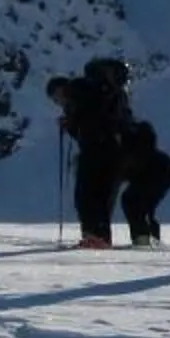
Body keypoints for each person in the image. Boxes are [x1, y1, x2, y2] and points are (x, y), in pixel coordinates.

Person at [47, 65, 132, 250]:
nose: (58, 103)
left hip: (98, 150)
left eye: (55, 98)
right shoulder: (90, 95)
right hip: (113, 150)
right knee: (100, 196)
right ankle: (97, 236)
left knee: (88, 195)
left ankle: (94, 236)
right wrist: (71, 124)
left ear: (60, 90)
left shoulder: (78, 94)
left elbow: (88, 127)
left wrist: (70, 123)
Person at [121, 120, 170, 247]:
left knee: (133, 200)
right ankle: (148, 237)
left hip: (160, 168)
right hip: (163, 166)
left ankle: (144, 238)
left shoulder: (122, 134)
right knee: (142, 203)